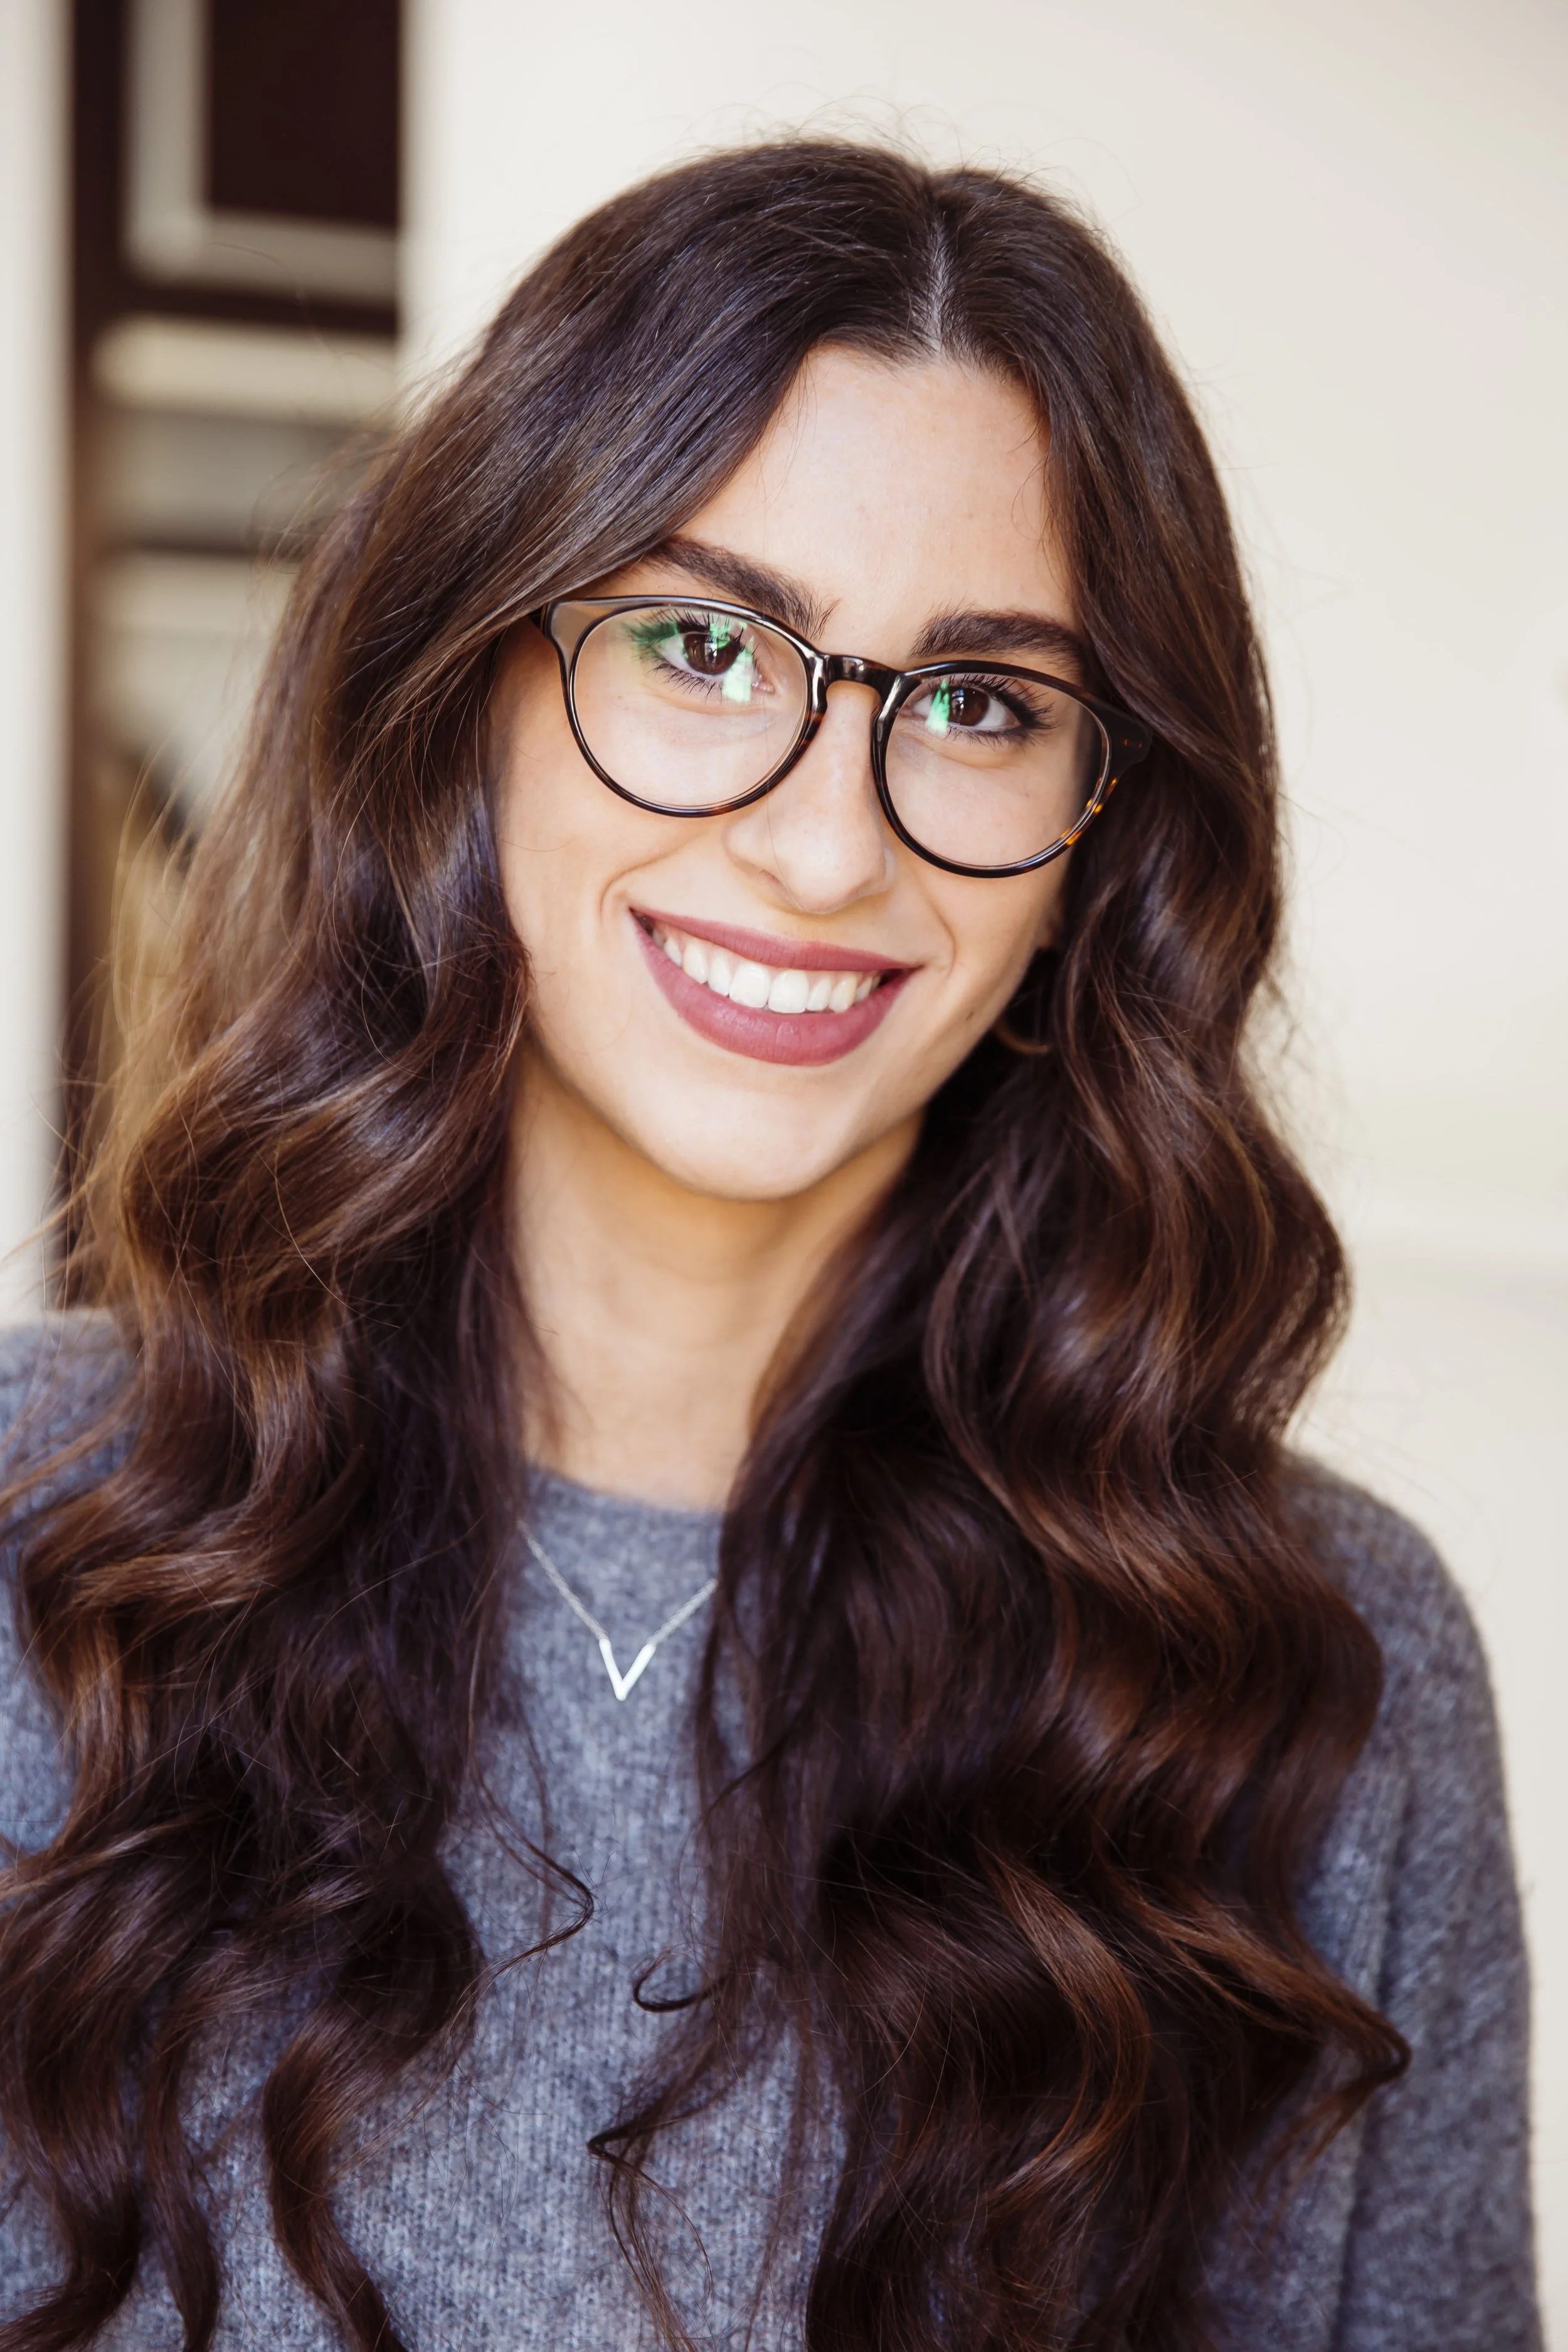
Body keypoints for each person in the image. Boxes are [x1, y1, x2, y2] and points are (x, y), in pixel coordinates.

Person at [0, 142, 1539, 2352]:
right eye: (704, 646)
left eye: (982, 703)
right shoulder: (41, 1533)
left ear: (1095, 854)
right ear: (468, 700)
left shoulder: (1307, 1672)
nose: (823, 843)